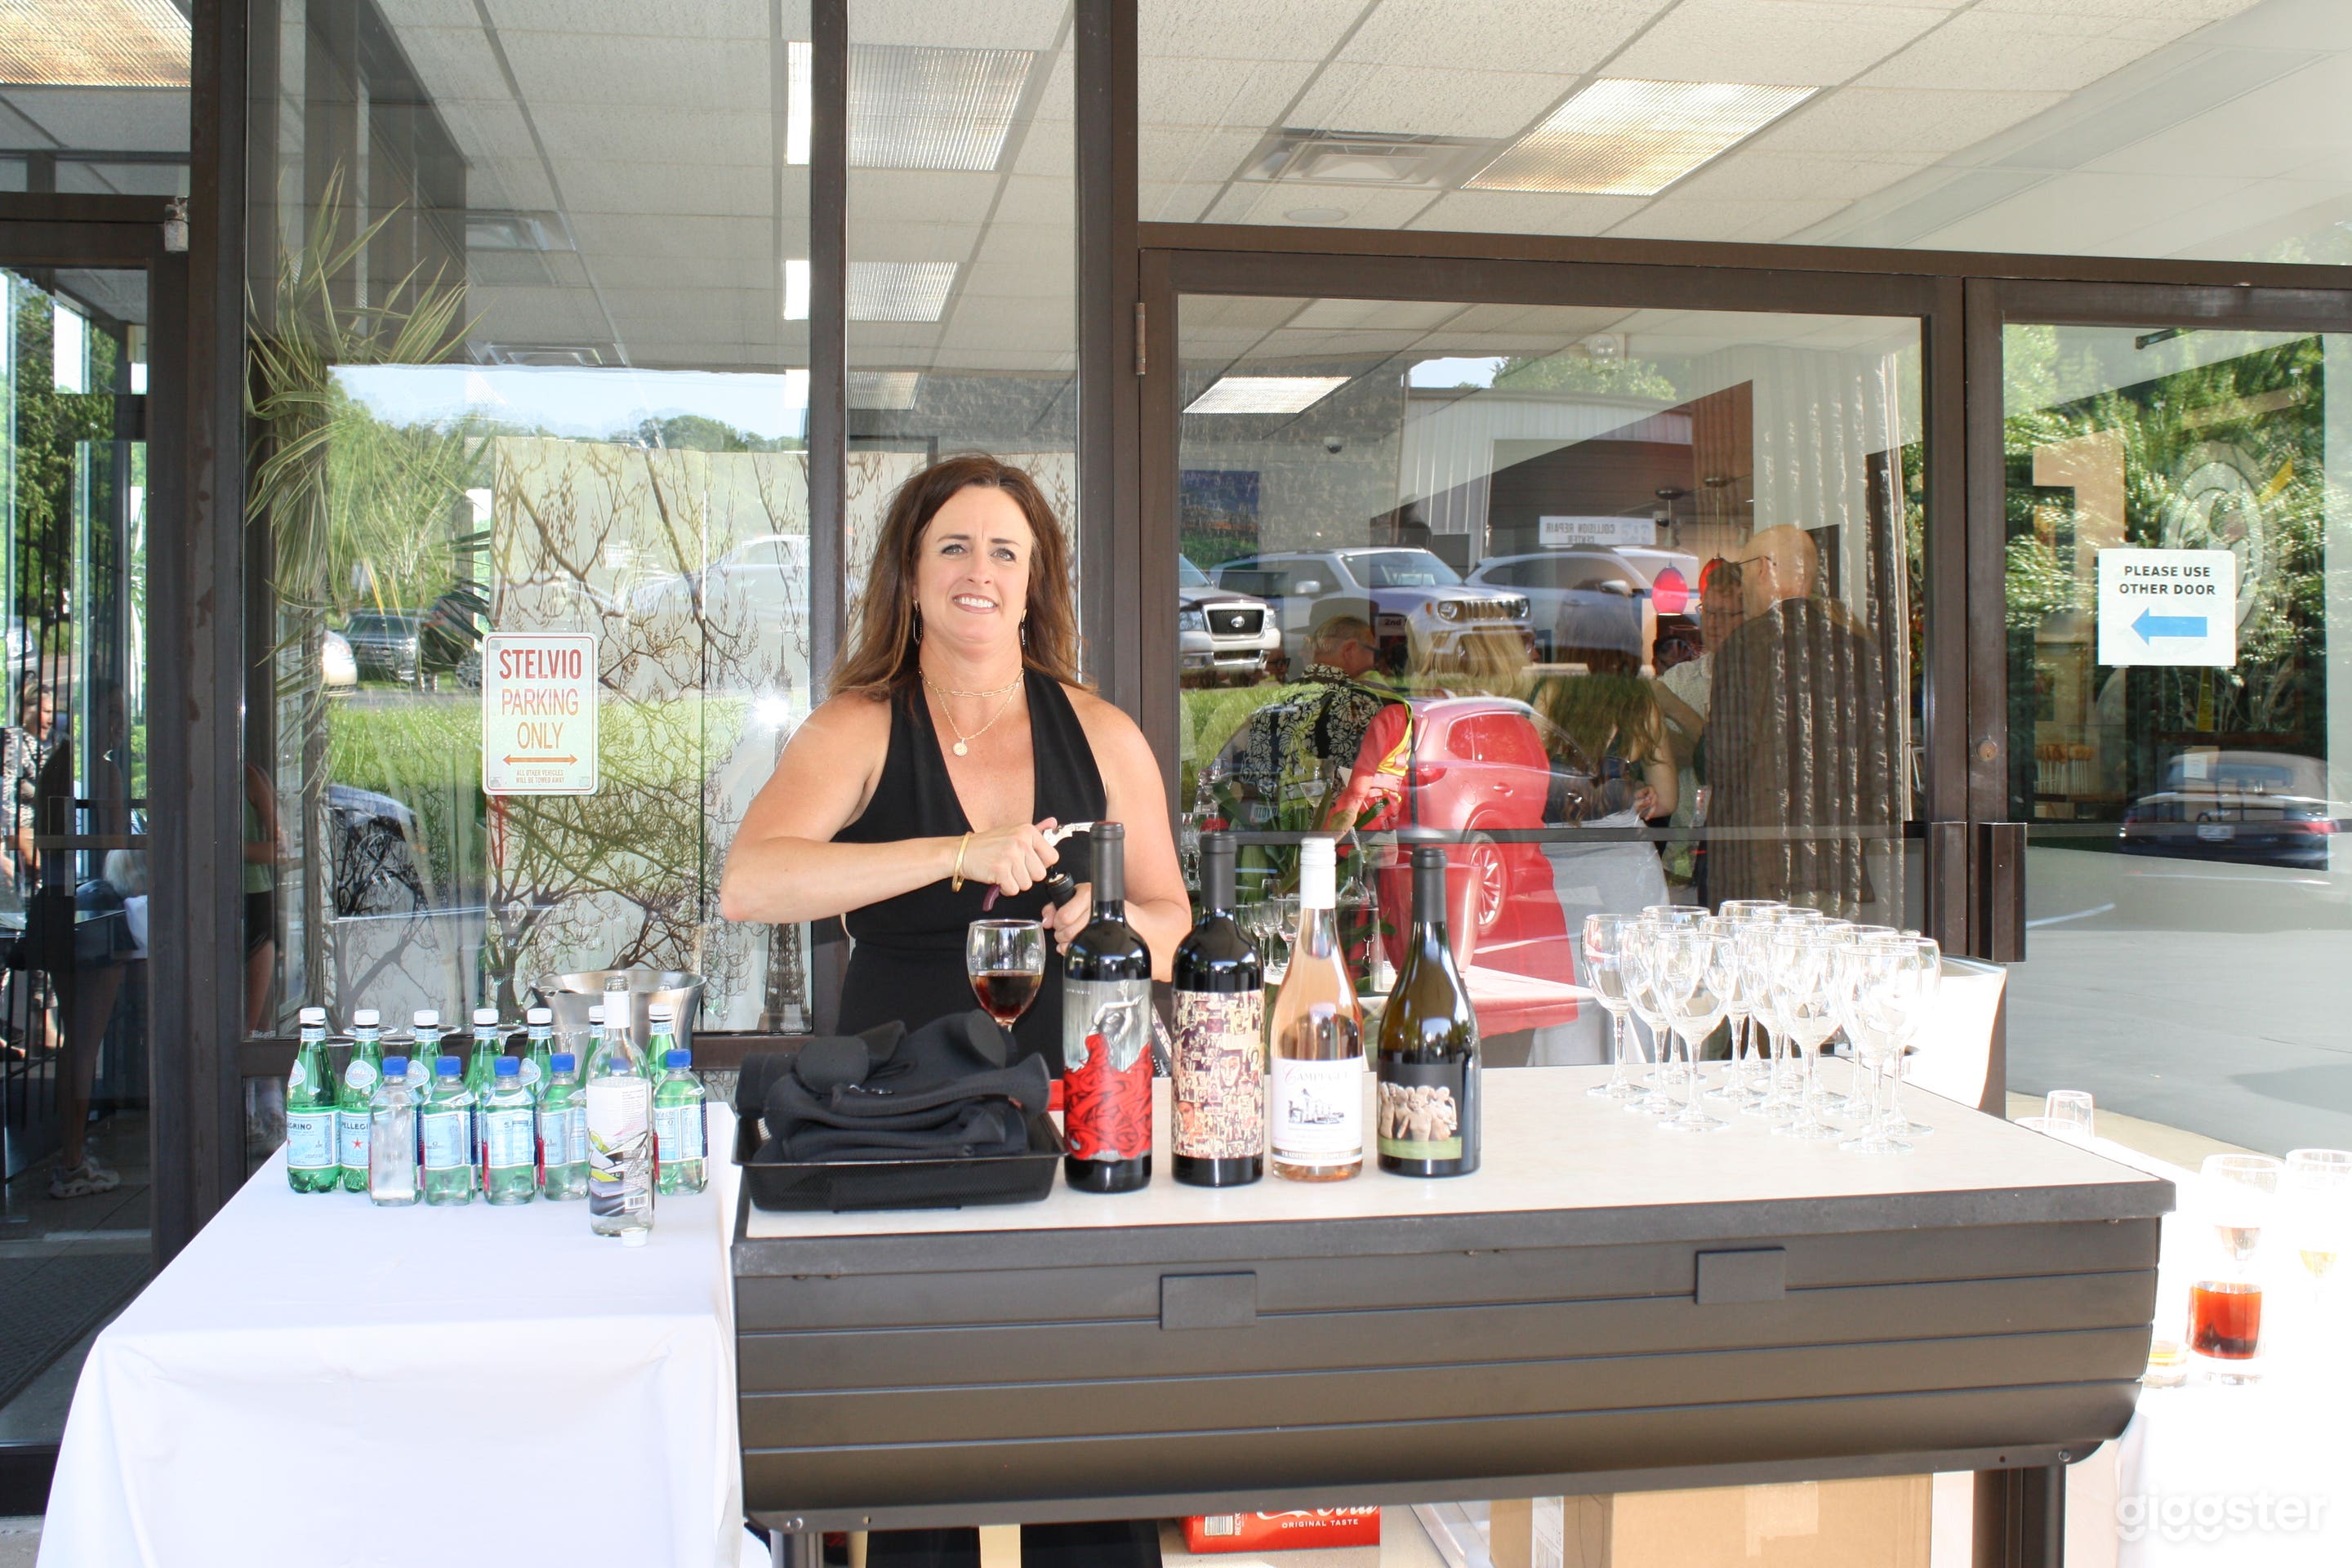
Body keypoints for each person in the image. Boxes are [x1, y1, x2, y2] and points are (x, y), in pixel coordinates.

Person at [720, 452, 1188, 1072]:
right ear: (910, 578)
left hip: (1078, 1111)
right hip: (900, 1119)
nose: (979, 572)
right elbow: (747, 886)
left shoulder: (1107, 736)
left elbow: (1176, 933)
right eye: (953, 548)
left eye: (1004, 553)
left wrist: (1118, 924)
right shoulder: (854, 727)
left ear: (1030, 587)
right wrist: (959, 853)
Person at [1705, 523, 1898, 916]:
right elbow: (1878, 764)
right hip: (1836, 863)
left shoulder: (1745, 646)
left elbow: (1723, 760)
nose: (1742, 589)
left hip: (1759, 866)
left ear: (1763, 568)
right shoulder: (1858, 650)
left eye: (1742, 574)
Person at [1209, 612, 1394, 827]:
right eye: (1375, 652)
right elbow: (1360, 788)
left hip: (1266, 836)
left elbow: (1223, 764)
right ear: (1350, 649)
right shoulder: (1365, 703)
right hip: (1336, 840)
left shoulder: (1276, 699)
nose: (1377, 661)